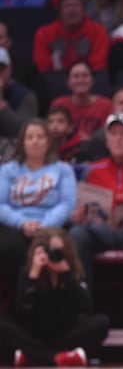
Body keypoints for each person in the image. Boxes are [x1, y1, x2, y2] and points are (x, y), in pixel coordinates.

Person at [69, 111, 123, 329]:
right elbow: (79, 209)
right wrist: (78, 215)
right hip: (100, 230)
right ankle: (84, 310)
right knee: (76, 234)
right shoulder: (92, 170)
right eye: (113, 135)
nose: (118, 139)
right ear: (107, 141)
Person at [0, 228, 110, 367]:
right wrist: (33, 277)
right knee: (3, 324)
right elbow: (22, 312)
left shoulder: (72, 271)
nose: (54, 255)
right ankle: (59, 358)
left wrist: (66, 274)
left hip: (65, 333)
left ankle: (33, 357)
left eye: (59, 251)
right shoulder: (28, 272)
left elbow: (87, 306)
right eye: (51, 251)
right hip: (34, 334)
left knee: (102, 322)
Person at [0, 120, 78, 296]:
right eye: (30, 137)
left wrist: (44, 226)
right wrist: (23, 223)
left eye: (40, 137)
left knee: (55, 244)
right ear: (22, 142)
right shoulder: (7, 170)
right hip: (16, 226)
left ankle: (56, 303)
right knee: (10, 246)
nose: (35, 141)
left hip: (51, 226)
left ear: (49, 141)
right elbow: (0, 204)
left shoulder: (63, 169)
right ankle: (18, 302)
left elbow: (67, 203)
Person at [48, 61, 113, 144]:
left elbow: (110, 134)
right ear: (68, 82)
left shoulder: (106, 105)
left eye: (85, 76)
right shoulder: (58, 104)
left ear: (92, 80)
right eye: (76, 76)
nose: (80, 80)